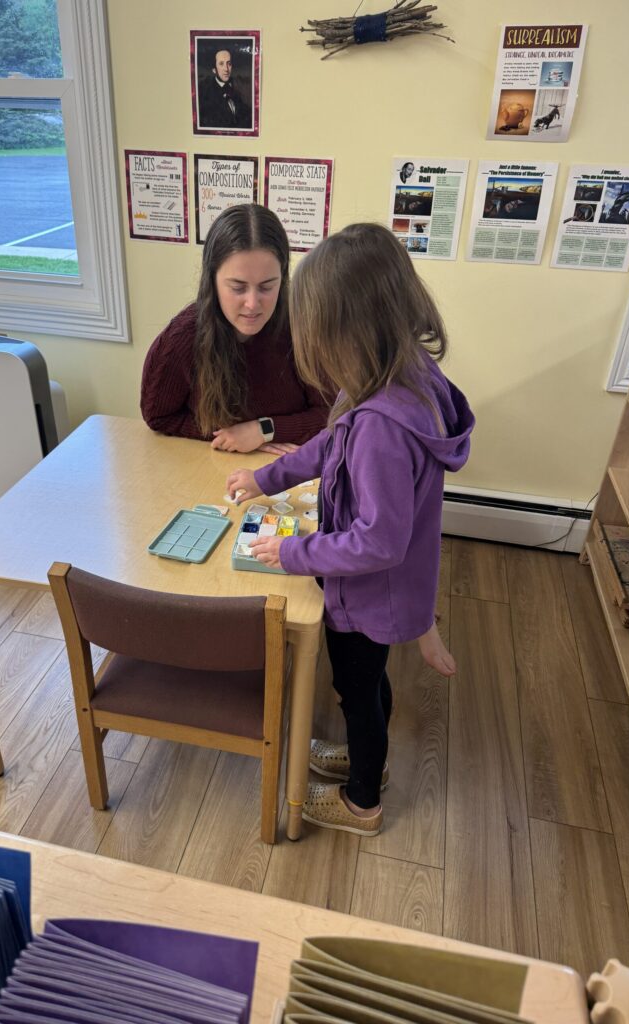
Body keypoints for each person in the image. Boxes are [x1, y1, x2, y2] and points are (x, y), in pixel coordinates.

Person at [225, 223, 474, 837]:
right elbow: (326, 447)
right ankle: (371, 761)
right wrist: (269, 477)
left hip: (369, 596)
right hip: (385, 589)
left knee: (359, 693)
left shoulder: (382, 427)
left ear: (347, 333)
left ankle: (363, 800)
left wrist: (294, 552)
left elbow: (378, 541)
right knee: (368, 686)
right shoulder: (394, 375)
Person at [141, 204, 333, 453]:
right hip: (209, 470)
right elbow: (158, 416)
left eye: (267, 287)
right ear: (212, 280)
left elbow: (332, 413)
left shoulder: (303, 329)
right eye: (238, 287)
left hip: (283, 473)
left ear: (283, 278)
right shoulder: (182, 339)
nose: (253, 304)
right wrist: (230, 438)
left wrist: (264, 430)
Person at [197, 47, 251, 130]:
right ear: (214, 70)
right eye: (221, 64)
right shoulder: (206, 95)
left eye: (229, 64)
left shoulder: (237, 89)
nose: (226, 69)